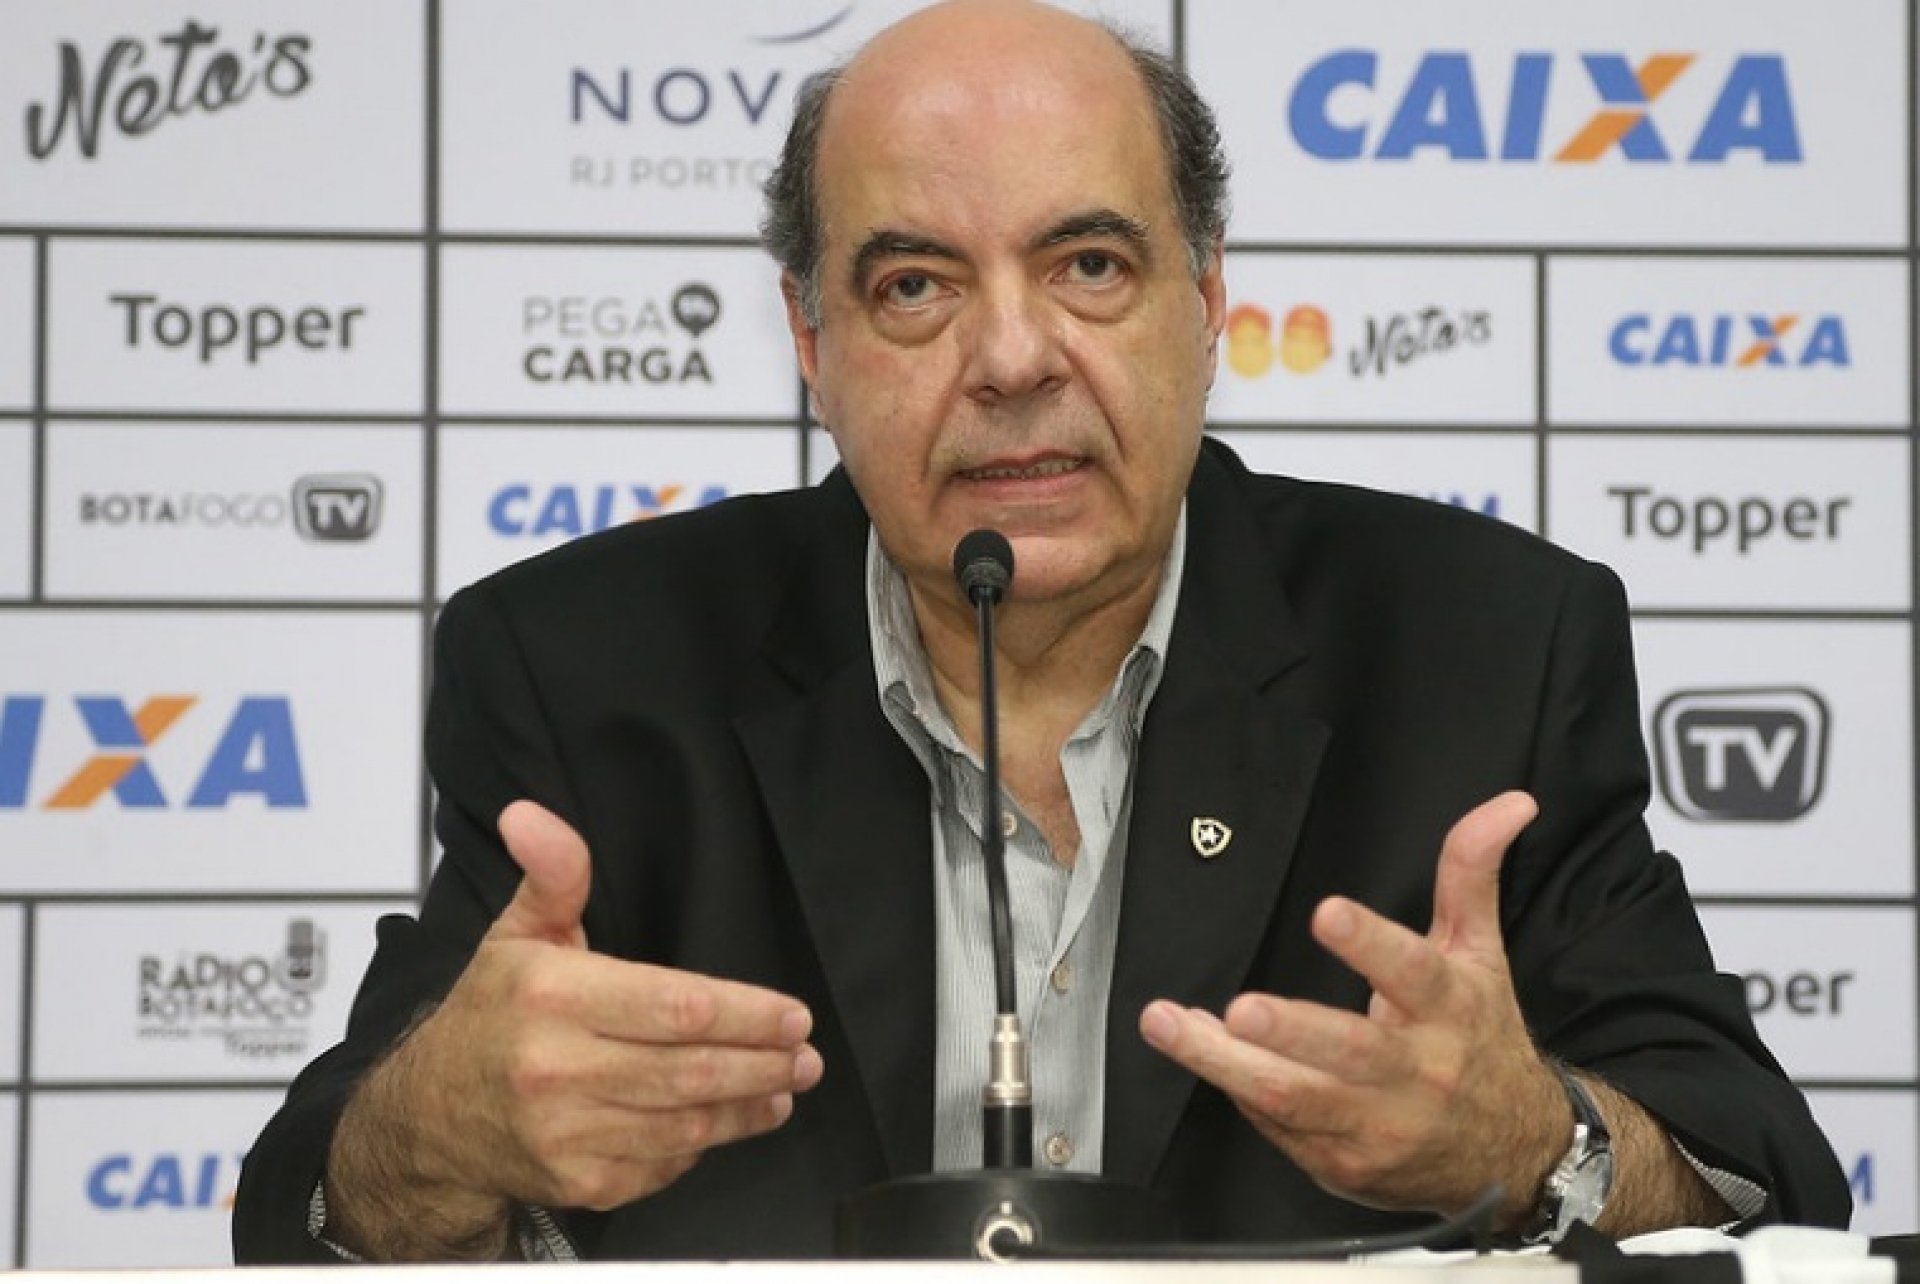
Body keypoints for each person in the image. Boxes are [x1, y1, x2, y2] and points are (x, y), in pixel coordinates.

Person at [232, 0, 1849, 1261]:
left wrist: (1535, 1140)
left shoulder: (1485, 649)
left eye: (1088, 264)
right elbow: (309, 1205)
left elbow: (1764, 1176)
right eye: (915, 287)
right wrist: (432, 1138)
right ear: (811, 340)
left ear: (1205, 300)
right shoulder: (582, 669)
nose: (1012, 358)